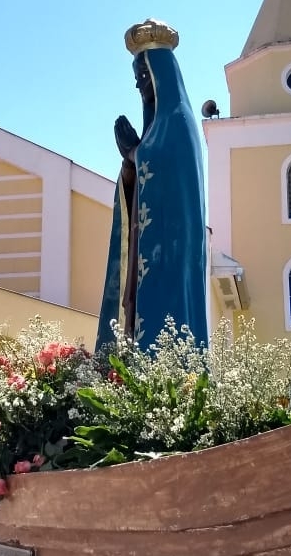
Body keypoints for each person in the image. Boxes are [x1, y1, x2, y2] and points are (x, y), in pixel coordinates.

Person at [96, 19, 208, 350]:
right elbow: (142, 176)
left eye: (143, 76)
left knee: (165, 315)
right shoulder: (154, 132)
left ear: (161, 76)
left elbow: (169, 166)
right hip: (146, 245)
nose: (139, 84)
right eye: (137, 78)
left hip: (172, 249)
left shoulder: (179, 123)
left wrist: (135, 153)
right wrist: (129, 164)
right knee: (136, 310)